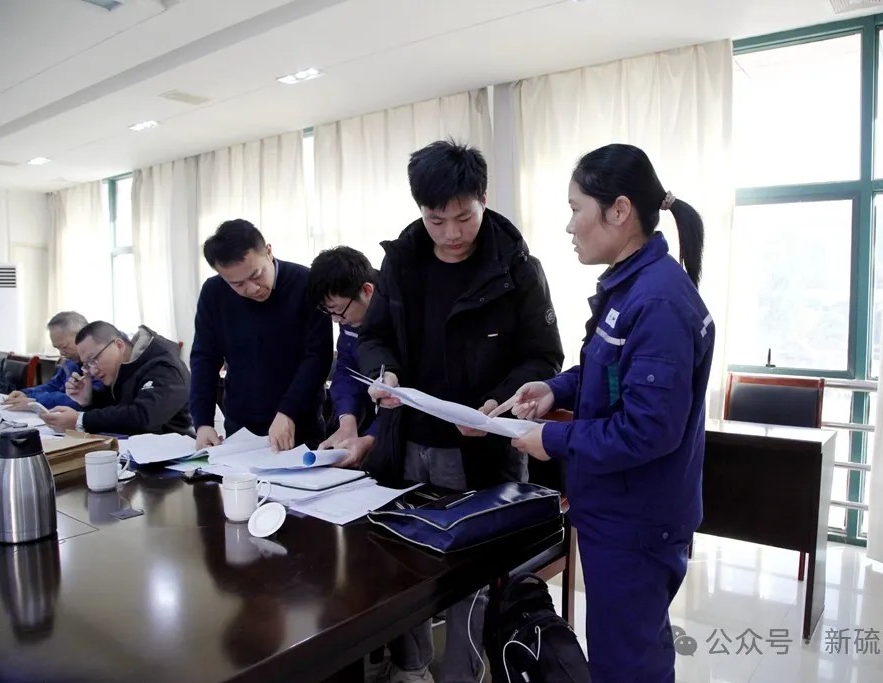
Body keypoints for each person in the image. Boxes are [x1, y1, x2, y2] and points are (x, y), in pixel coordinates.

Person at [491, 144, 714, 683]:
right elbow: (606, 373)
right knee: (632, 649)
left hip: (636, 519)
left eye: (576, 209)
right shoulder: (631, 285)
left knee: (626, 665)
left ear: (619, 210)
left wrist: (551, 441)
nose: (570, 226)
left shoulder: (657, 301)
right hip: (620, 509)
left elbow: (647, 430)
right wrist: (553, 389)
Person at [359, 139, 564, 682]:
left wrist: (500, 402)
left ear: (484, 198)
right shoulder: (402, 262)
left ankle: (460, 676)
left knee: (472, 578)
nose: (451, 233)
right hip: (406, 442)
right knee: (400, 559)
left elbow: (545, 355)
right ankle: (410, 668)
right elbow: (373, 336)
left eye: (464, 217)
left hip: (480, 450)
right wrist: (385, 374)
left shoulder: (517, 267)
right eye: (436, 220)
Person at [191, 219, 333, 451]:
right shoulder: (213, 293)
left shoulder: (306, 283)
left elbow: (318, 357)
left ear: (268, 251)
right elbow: (204, 359)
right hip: (241, 427)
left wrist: (288, 411)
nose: (252, 288)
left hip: (299, 423)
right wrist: (203, 422)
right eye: (237, 284)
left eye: (256, 275)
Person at [41, 321, 194, 436]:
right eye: (87, 365)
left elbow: (144, 417)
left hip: (176, 459)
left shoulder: (164, 367)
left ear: (119, 345)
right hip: (137, 454)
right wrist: (89, 400)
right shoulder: (125, 368)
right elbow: (118, 410)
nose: (92, 371)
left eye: (94, 359)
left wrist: (81, 420)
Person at [305, 246, 379, 469]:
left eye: (338, 310)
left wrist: (372, 438)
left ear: (367, 291)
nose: (336, 320)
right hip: (367, 419)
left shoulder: (399, 312)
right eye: (329, 311)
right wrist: (347, 419)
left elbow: (404, 390)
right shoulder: (350, 316)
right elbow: (347, 370)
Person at [3, 311, 102, 411]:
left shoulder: (100, 364)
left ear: (83, 336)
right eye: (57, 348)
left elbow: (80, 401)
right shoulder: (71, 362)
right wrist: (26, 393)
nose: (61, 353)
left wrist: (35, 401)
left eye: (64, 347)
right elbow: (53, 385)